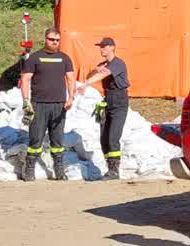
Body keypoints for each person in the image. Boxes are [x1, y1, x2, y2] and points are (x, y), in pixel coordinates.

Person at [19, 27, 76, 182]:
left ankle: (59, 170)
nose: (54, 42)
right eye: (51, 39)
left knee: (57, 140)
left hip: (59, 105)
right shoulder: (35, 58)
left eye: (57, 40)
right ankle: (29, 169)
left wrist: (71, 98)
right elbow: (25, 79)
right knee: (35, 139)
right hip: (39, 104)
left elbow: (71, 78)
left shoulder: (65, 58)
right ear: (45, 39)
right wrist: (25, 101)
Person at [81, 36, 129, 180]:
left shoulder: (117, 63)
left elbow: (104, 74)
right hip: (107, 100)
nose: (101, 49)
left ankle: (115, 170)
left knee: (113, 136)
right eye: (100, 47)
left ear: (112, 47)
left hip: (119, 101)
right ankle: (110, 168)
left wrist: (87, 83)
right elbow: (92, 74)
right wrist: (94, 70)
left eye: (104, 46)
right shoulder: (104, 64)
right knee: (104, 137)